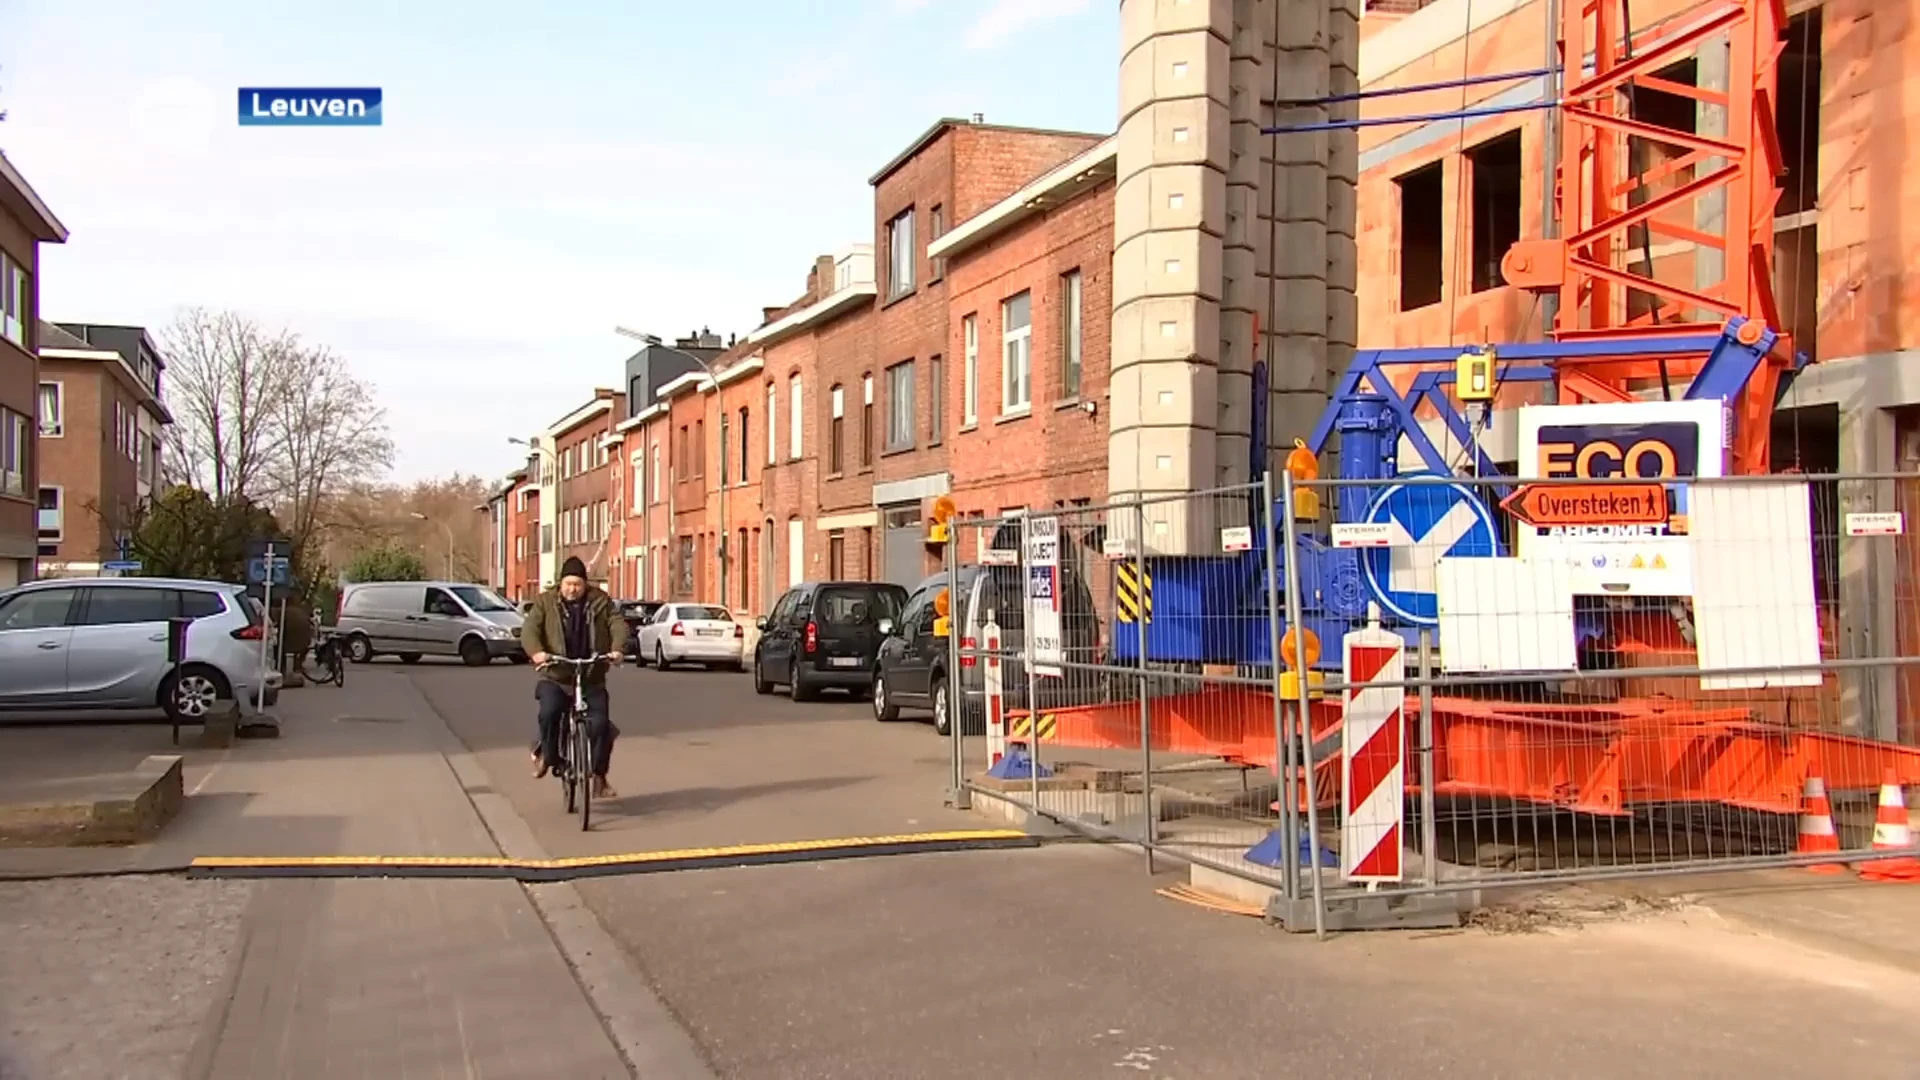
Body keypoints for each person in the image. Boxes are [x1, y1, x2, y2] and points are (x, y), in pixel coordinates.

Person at [521, 556, 628, 798]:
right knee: (549, 711)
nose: (573, 589)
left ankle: (599, 777)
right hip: (556, 674)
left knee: (600, 724)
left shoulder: (600, 601)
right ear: (561, 583)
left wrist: (617, 649)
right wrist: (537, 653)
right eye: (569, 584)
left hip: (591, 675)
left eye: (577, 584)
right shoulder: (545, 602)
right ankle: (547, 756)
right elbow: (530, 629)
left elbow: (617, 623)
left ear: (585, 584)